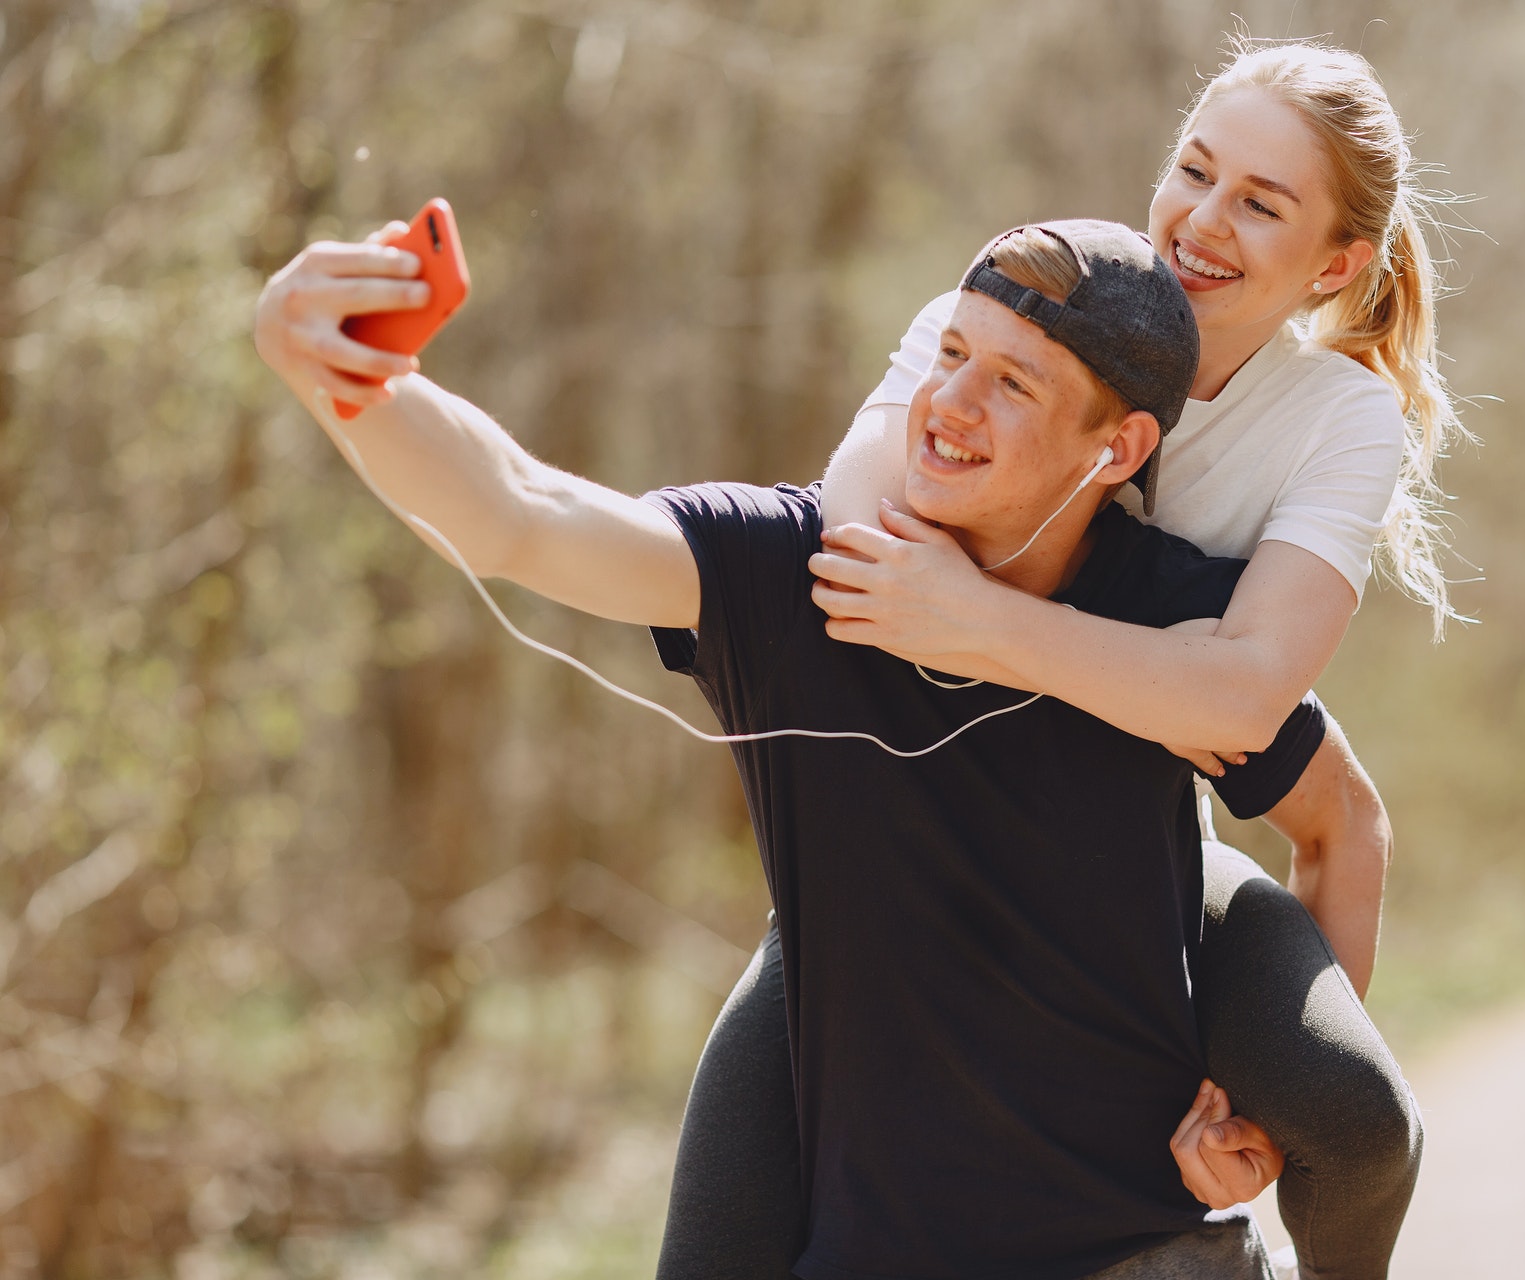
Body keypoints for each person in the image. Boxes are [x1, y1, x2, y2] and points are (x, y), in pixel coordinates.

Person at [256, 212, 1358, 1276]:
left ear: (1116, 446)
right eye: (954, 352)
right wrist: (352, 381)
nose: (949, 403)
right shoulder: (797, 572)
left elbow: (1341, 820)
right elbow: (517, 510)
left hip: (1149, 1253)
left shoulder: (1182, 628)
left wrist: (1256, 1092)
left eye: (1013, 383)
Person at [668, 38, 1456, 1280]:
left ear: (1338, 264)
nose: (1203, 220)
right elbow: (862, 541)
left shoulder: (1338, 418)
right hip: (900, 856)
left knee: (1358, 1127)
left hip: (1131, 847)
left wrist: (1246, 1109)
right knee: (717, 1237)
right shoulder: (1010, 312)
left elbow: (1252, 695)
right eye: (1194, 171)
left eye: (1262, 203)